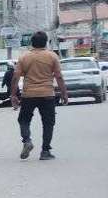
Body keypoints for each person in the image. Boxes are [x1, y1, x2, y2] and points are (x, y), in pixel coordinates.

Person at [11, 31, 68, 161]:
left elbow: (15, 77)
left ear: (32, 43)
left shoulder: (24, 57)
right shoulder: (52, 56)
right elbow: (58, 76)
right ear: (45, 42)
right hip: (47, 94)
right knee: (48, 123)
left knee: (24, 120)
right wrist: (64, 93)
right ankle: (45, 151)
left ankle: (27, 141)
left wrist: (13, 94)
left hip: (28, 94)